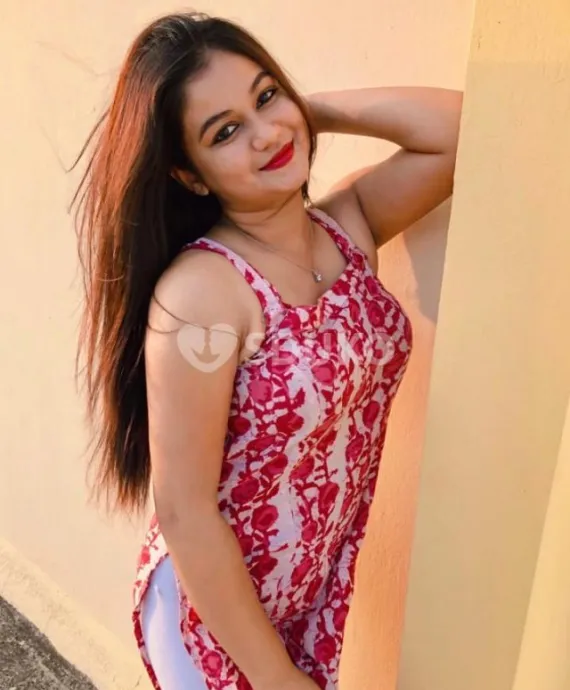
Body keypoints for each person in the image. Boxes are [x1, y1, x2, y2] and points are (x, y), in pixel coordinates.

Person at [73, 10, 462, 690]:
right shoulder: (203, 294)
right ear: (191, 175)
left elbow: (461, 131)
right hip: (210, 613)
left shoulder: (347, 228)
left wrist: (302, 112)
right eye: (224, 132)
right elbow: (185, 512)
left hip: (305, 591)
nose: (265, 135)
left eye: (266, 95)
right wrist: (277, 679)